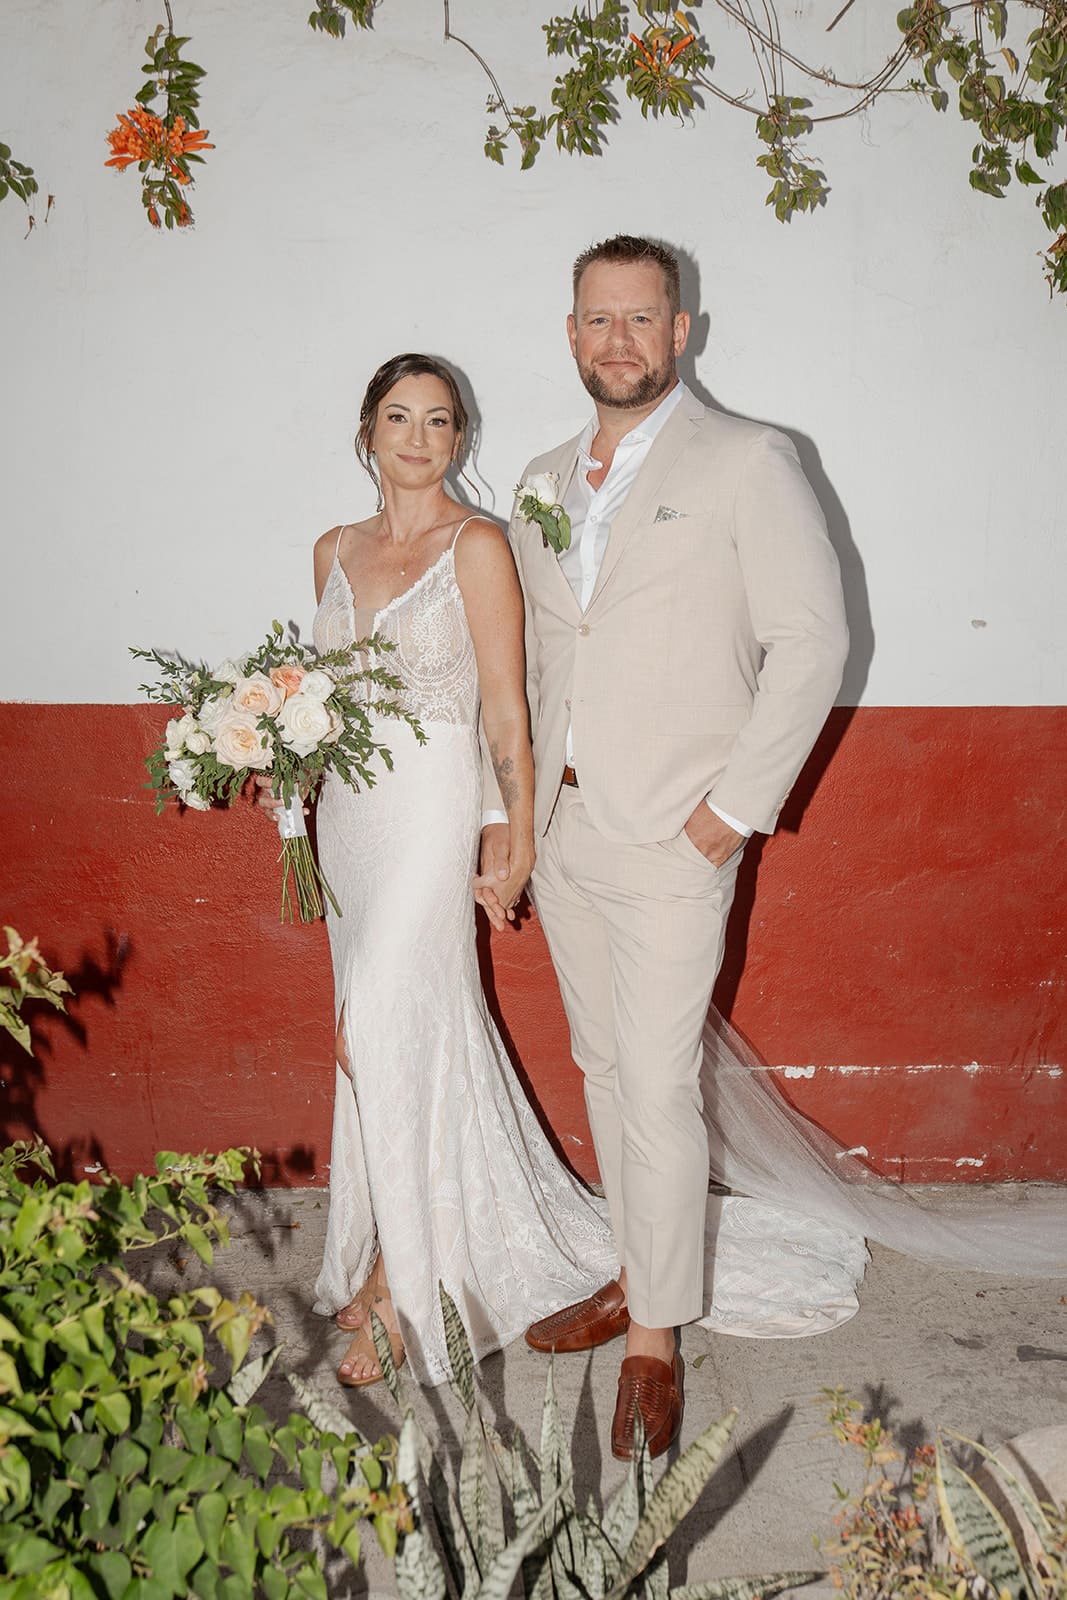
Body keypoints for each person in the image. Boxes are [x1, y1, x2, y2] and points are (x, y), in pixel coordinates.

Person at [477, 235, 851, 1460]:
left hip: (678, 833)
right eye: (597, 319)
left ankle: (654, 1341)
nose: (618, 341)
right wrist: (513, 818)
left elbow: (812, 642)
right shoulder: (538, 477)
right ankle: (639, 1271)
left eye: (641, 319)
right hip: (569, 830)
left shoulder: (748, 459)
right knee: (599, 1062)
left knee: (652, 1079)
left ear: (680, 330)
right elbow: (531, 665)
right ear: (569, 330)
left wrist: (729, 814)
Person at [263, 353, 617, 1388]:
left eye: (439, 420)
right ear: (366, 431)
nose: (418, 437)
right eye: (398, 417)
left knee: (375, 1025)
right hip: (350, 826)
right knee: (385, 1034)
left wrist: (511, 835)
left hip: (430, 807)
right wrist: (283, 776)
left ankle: (394, 1283)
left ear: (458, 438)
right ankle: (398, 1245)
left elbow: (505, 703)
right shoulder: (330, 547)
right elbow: (315, 700)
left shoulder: (478, 546)